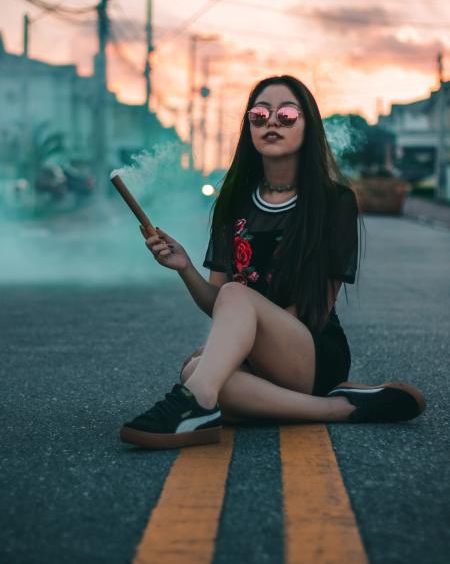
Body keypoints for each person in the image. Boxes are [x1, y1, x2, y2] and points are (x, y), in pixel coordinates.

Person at [119, 75, 426, 451]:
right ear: (249, 127)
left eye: (286, 114)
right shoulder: (233, 204)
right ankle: (337, 409)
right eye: (259, 114)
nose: (271, 122)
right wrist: (184, 267)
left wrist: (243, 348)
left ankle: (196, 406)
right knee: (197, 372)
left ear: (307, 125)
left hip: (310, 351)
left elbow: (316, 308)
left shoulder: (334, 202)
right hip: (260, 353)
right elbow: (220, 305)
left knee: (216, 344)